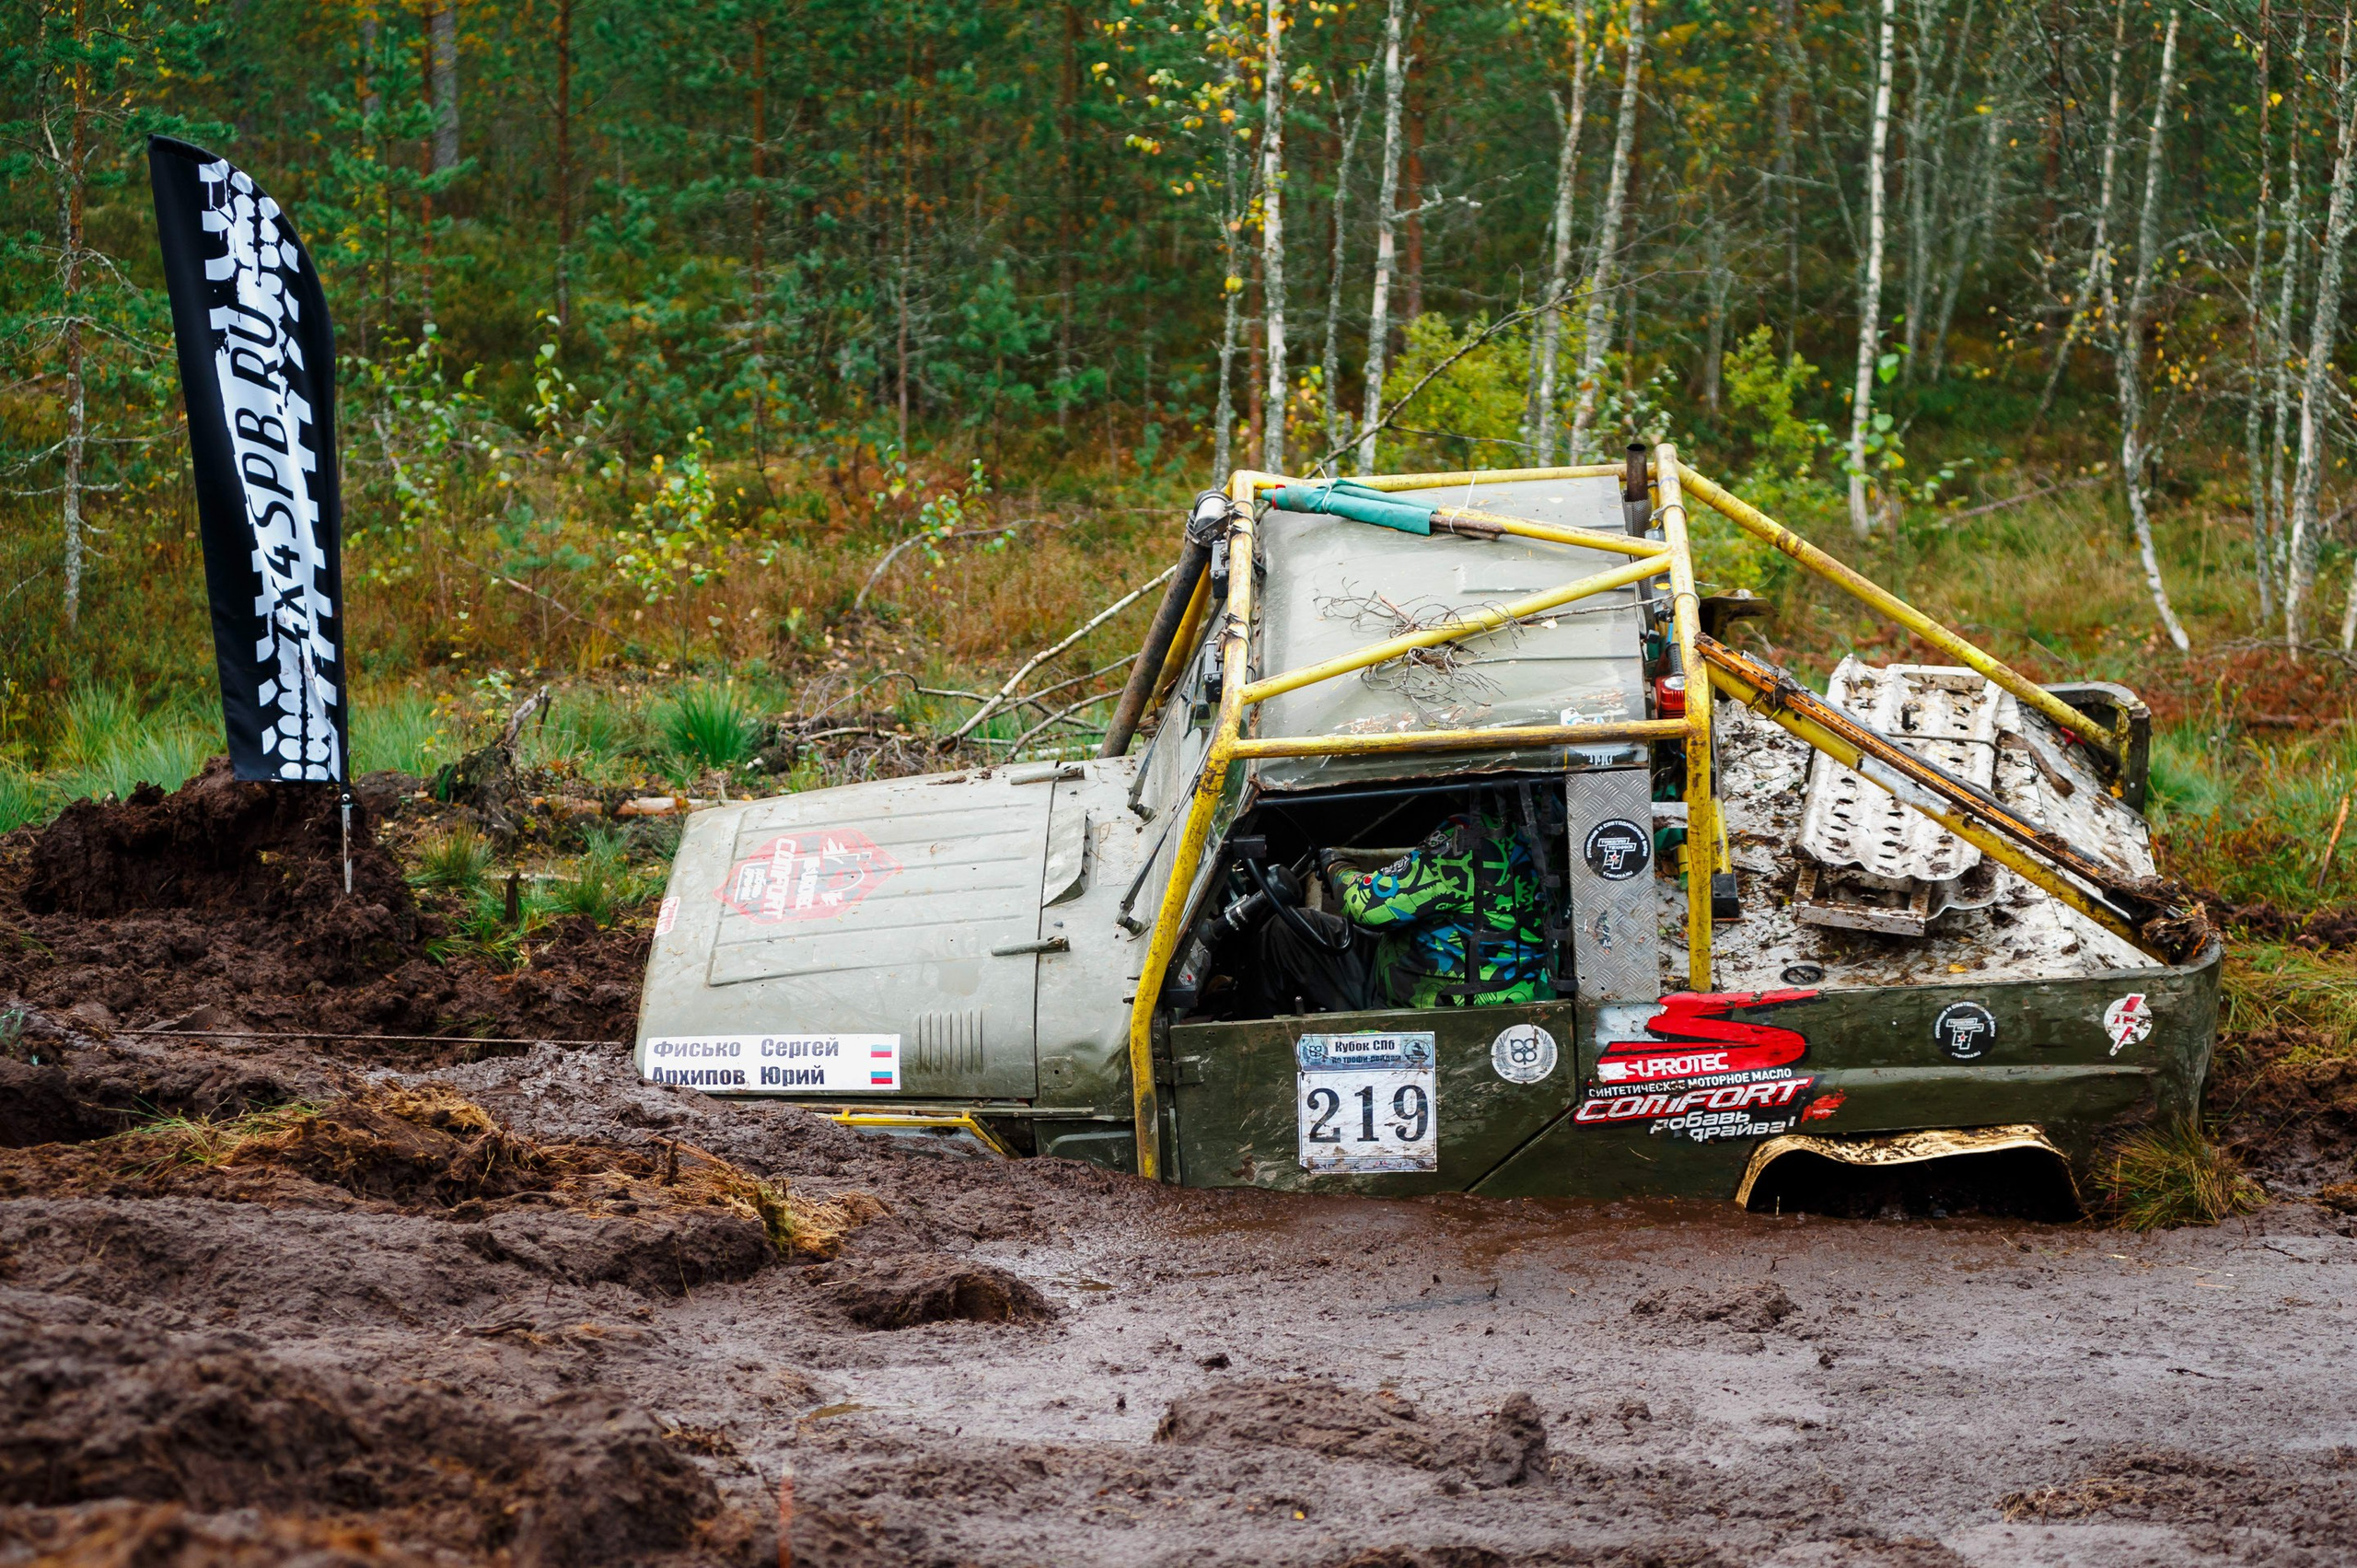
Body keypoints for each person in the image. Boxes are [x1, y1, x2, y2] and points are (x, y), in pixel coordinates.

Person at [1248, 810, 1555, 1013]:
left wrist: (1334, 865)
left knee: (1283, 934)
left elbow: (1366, 904)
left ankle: (1252, 1055)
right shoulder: (1546, 828)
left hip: (1430, 1005)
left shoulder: (1474, 839)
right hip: (1499, 980)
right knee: (1296, 929)